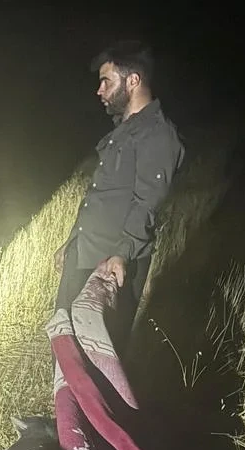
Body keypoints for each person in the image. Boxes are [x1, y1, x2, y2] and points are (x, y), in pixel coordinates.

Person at [53, 41, 184, 328]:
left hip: (112, 265)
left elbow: (147, 202)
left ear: (133, 80)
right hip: (84, 252)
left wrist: (122, 254)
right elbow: (99, 195)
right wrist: (72, 242)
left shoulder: (157, 135)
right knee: (65, 341)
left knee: (98, 358)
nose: (99, 90)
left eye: (105, 82)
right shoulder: (122, 132)